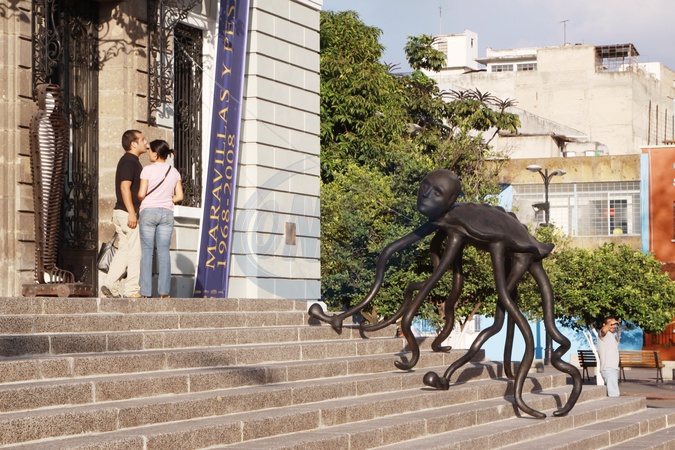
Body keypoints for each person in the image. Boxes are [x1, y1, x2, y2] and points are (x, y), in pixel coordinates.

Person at [101, 130, 147, 298]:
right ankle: (131, 290)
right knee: (135, 251)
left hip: (121, 212)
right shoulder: (130, 161)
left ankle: (109, 284)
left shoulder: (129, 161)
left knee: (124, 250)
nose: (146, 142)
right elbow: (124, 187)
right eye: (142, 139)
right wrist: (132, 212)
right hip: (127, 213)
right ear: (133, 144)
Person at [137, 139, 183, 298]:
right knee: (164, 252)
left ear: (156, 154)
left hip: (148, 212)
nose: (148, 153)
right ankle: (164, 292)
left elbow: (141, 194)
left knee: (147, 252)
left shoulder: (147, 170)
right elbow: (180, 196)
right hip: (167, 213)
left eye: (149, 150)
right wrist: (167, 199)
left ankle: (145, 291)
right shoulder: (174, 172)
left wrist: (145, 197)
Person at [597, 316, 621, 397]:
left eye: (615, 324)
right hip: (608, 367)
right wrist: (611, 322)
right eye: (611, 324)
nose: (614, 326)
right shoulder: (603, 334)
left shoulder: (611, 335)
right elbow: (603, 330)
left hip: (612, 368)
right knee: (614, 394)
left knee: (613, 391)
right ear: (604, 325)